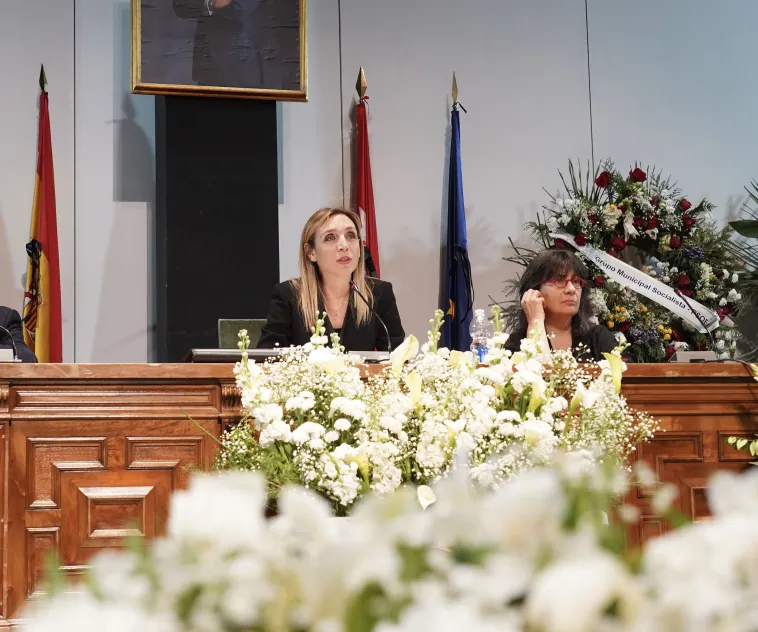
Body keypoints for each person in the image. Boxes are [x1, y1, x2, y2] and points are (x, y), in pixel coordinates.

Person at [257, 208, 405, 351]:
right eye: (330, 238)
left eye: (351, 235)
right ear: (311, 252)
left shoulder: (379, 293)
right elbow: (267, 357)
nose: (344, 245)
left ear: (360, 248)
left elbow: (399, 357)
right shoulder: (289, 295)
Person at [504, 249, 619, 361]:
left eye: (576, 281)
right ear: (534, 290)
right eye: (559, 280)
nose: (571, 289)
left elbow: (625, 370)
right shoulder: (518, 342)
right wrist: (536, 322)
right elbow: (536, 371)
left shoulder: (598, 338)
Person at [172, 0, 263, 89]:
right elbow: (180, 5)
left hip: (239, 65)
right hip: (206, 62)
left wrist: (205, 5)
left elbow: (239, 11)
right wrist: (210, 3)